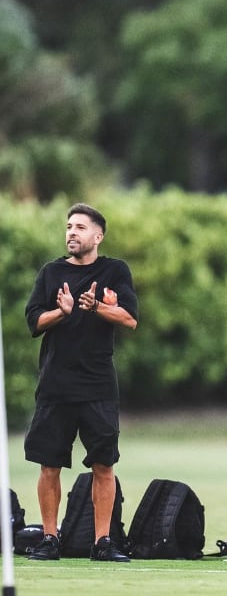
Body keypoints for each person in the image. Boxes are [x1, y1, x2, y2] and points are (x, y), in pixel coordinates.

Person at [23, 203, 138, 563]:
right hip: (55, 384)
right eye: (69, 227)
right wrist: (63, 311)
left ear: (98, 235)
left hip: (98, 385)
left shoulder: (115, 271)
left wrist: (97, 307)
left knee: (104, 465)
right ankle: (50, 538)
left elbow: (130, 318)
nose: (71, 232)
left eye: (80, 227)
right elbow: (33, 320)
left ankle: (103, 542)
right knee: (49, 464)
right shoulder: (51, 272)